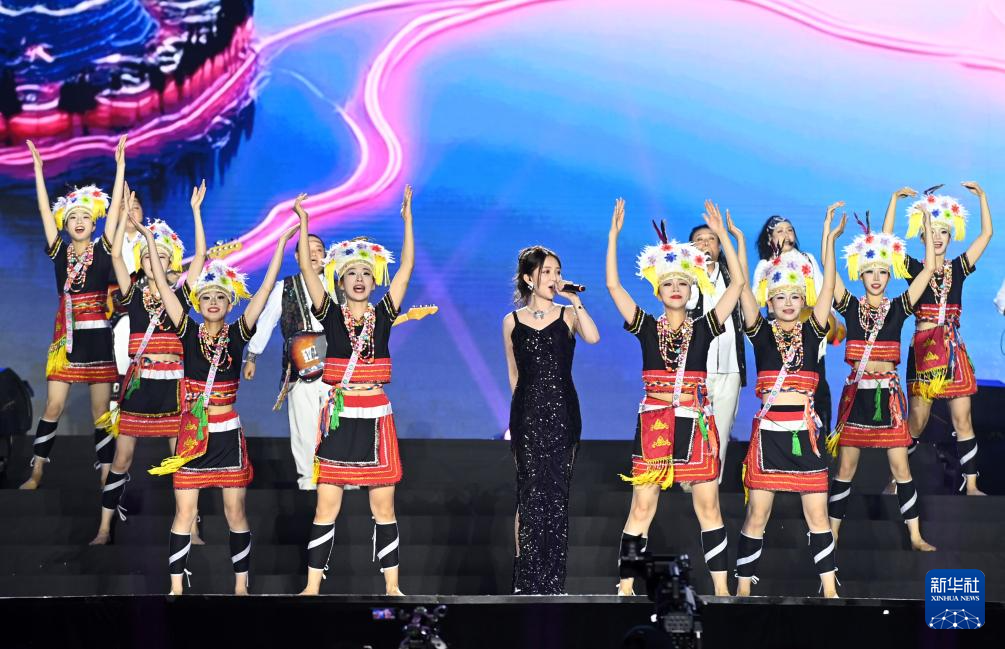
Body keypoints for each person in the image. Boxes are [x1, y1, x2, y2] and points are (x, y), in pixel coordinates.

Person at [144, 211, 298, 595]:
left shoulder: (239, 333)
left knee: (235, 512)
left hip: (227, 435)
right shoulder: (187, 330)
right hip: (192, 435)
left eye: (220, 297)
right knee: (184, 512)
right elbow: (163, 286)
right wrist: (148, 238)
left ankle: (241, 586)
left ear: (229, 303)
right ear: (197, 303)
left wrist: (280, 245)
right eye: (206, 296)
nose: (213, 302)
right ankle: (176, 588)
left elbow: (264, 291)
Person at [608, 199, 745, 597]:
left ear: (691, 289)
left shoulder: (705, 327)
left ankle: (722, 590)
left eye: (682, 284)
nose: (675, 289)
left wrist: (724, 237)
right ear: (658, 290)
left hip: (695, 423)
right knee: (642, 508)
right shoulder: (646, 327)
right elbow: (614, 286)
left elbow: (737, 285)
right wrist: (614, 237)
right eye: (668, 284)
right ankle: (625, 587)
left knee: (709, 508)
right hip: (655, 424)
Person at [295, 188, 414, 596]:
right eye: (352, 274)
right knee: (325, 507)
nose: (360, 279)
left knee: (384, 508)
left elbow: (406, 269)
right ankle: (312, 587)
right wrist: (305, 224)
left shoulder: (384, 313)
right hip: (341, 417)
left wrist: (407, 221)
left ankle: (392, 587)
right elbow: (307, 270)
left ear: (373, 280)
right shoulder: (329, 313)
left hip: (376, 415)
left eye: (366, 273)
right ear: (340, 281)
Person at [88, 184, 207, 545]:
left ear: (171, 262)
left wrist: (196, 212)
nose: (157, 261)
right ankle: (104, 528)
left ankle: (193, 529)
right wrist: (126, 216)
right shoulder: (133, 293)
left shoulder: (181, 295)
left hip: (172, 387)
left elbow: (201, 255)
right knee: (122, 459)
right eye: (151, 255)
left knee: (181, 461)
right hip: (140, 386)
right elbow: (116, 255)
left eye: (164, 256)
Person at [735, 209, 844, 598]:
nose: (787, 302)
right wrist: (734, 241)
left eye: (795, 296)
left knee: (818, 516)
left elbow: (827, 287)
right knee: (757, 514)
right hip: (769, 437)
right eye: (779, 296)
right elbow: (742, 286)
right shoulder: (761, 333)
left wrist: (828, 239)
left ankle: (830, 590)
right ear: (770, 299)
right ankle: (742, 590)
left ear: (803, 299)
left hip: (805, 435)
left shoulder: (814, 331)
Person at [825, 202, 936, 551]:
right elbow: (829, 275)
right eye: (870, 272)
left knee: (901, 469)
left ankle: (915, 536)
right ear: (861, 275)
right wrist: (830, 236)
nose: (876, 278)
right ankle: (832, 535)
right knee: (845, 468)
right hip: (857, 396)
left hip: (888, 398)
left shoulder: (900, 307)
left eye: (883, 272)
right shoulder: (850, 307)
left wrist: (927, 226)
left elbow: (929, 270)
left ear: (890, 276)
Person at [20, 136, 127, 490]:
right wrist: (38, 170)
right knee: (53, 406)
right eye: (72, 217)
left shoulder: (104, 250)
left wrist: (120, 167)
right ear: (65, 225)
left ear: (94, 224)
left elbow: (115, 214)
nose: (79, 221)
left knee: (101, 414)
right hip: (65, 338)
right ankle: (36, 471)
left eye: (85, 217)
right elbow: (42, 212)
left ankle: (106, 475)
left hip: (98, 340)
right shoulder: (59, 252)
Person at [881, 184, 993, 495]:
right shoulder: (915, 269)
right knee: (917, 421)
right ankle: (895, 480)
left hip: (953, 348)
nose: (938, 237)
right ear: (922, 237)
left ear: (950, 236)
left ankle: (972, 485)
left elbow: (986, 235)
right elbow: (886, 242)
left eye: (944, 232)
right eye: (932, 232)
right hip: (925, 349)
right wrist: (893, 200)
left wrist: (983, 198)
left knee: (963, 419)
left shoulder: (959, 267)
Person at [502, 242, 600, 594]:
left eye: (557, 272)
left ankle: (553, 581)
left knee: (557, 494)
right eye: (546, 272)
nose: (554, 277)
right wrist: (516, 419)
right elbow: (514, 374)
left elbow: (593, 337)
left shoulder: (568, 315)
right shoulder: (511, 321)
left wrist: (574, 299)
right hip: (526, 415)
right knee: (529, 493)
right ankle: (525, 580)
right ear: (529, 278)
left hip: (563, 413)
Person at [243, 232, 343, 491]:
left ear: (326, 256)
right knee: (304, 423)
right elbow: (266, 321)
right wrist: (252, 355)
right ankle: (308, 479)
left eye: (319, 248)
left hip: (336, 365)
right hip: (301, 365)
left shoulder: (340, 286)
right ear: (297, 257)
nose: (314, 253)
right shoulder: (285, 287)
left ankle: (344, 477)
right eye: (308, 249)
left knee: (339, 422)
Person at [754, 215, 834, 439]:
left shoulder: (807, 259)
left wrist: (829, 321)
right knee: (776, 383)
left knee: (817, 384)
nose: (786, 234)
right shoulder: (765, 265)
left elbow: (822, 291)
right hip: (777, 335)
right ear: (769, 238)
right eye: (779, 231)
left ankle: (820, 436)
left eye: (789, 230)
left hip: (808, 331)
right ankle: (774, 432)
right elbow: (756, 300)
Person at [687, 221, 747, 482]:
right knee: (693, 425)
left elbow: (743, 279)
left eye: (711, 239)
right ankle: (689, 481)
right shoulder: (684, 276)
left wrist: (737, 239)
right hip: (698, 367)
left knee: (721, 429)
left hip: (731, 366)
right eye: (699, 239)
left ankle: (713, 483)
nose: (705, 243)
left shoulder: (730, 275)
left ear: (720, 246)